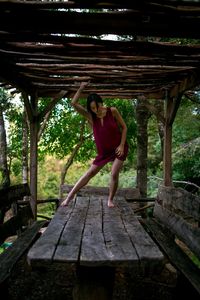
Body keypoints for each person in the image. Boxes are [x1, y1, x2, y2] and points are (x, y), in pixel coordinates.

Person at [61, 82, 128, 208]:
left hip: (118, 147)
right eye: (92, 108)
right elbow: (73, 103)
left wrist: (122, 145)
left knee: (114, 173)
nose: (95, 110)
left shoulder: (112, 111)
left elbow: (124, 128)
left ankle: (110, 200)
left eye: (97, 106)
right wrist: (81, 88)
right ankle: (69, 197)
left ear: (101, 103)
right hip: (103, 153)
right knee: (89, 173)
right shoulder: (91, 117)